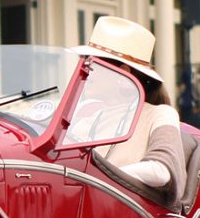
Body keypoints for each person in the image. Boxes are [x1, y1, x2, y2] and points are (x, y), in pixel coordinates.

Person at [75, 16, 185, 208]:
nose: (86, 70)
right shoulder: (89, 118)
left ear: (123, 73)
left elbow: (162, 170)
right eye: (86, 62)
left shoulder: (160, 114)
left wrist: (100, 179)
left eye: (94, 64)